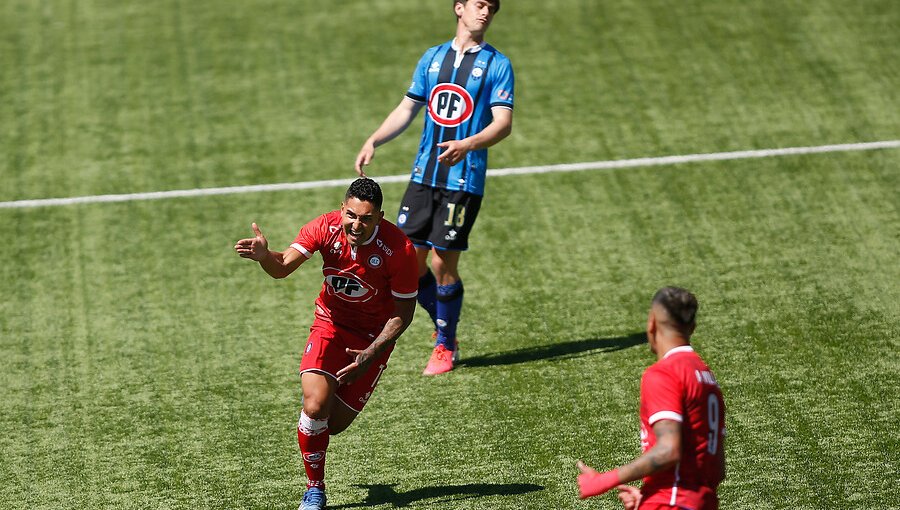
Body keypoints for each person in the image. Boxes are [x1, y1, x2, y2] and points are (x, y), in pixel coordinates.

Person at [234, 178, 418, 510]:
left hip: (372, 340)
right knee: (315, 407)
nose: (356, 225)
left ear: (380, 217)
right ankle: (314, 489)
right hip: (330, 325)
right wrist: (264, 256)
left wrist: (371, 352)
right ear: (342, 208)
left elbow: (403, 314)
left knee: (333, 425)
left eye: (366, 219)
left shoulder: (400, 250)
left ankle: (316, 438)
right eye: (351, 215)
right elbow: (282, 268)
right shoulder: (325, 227)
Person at [354, 0, 514, 375]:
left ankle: (445, 344)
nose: (485, 12)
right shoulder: (432, 58)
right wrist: (374, 140)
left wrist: (467, 145)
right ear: (459, 8)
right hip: (423, 176)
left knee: (443, 262)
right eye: (478, 4)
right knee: (410, 260)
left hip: (464, 180)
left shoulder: (498, 64)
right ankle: (444, 326)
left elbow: (503, 123)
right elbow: (407, 108)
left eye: (492, 7)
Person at [576, 287, 726, 510]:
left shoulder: (664, 374)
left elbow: (668, 450)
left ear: (651, 323)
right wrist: (648, 495)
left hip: (672, 502)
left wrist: (604, 480)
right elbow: (718, 467)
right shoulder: (706, 377)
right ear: (692, 328)